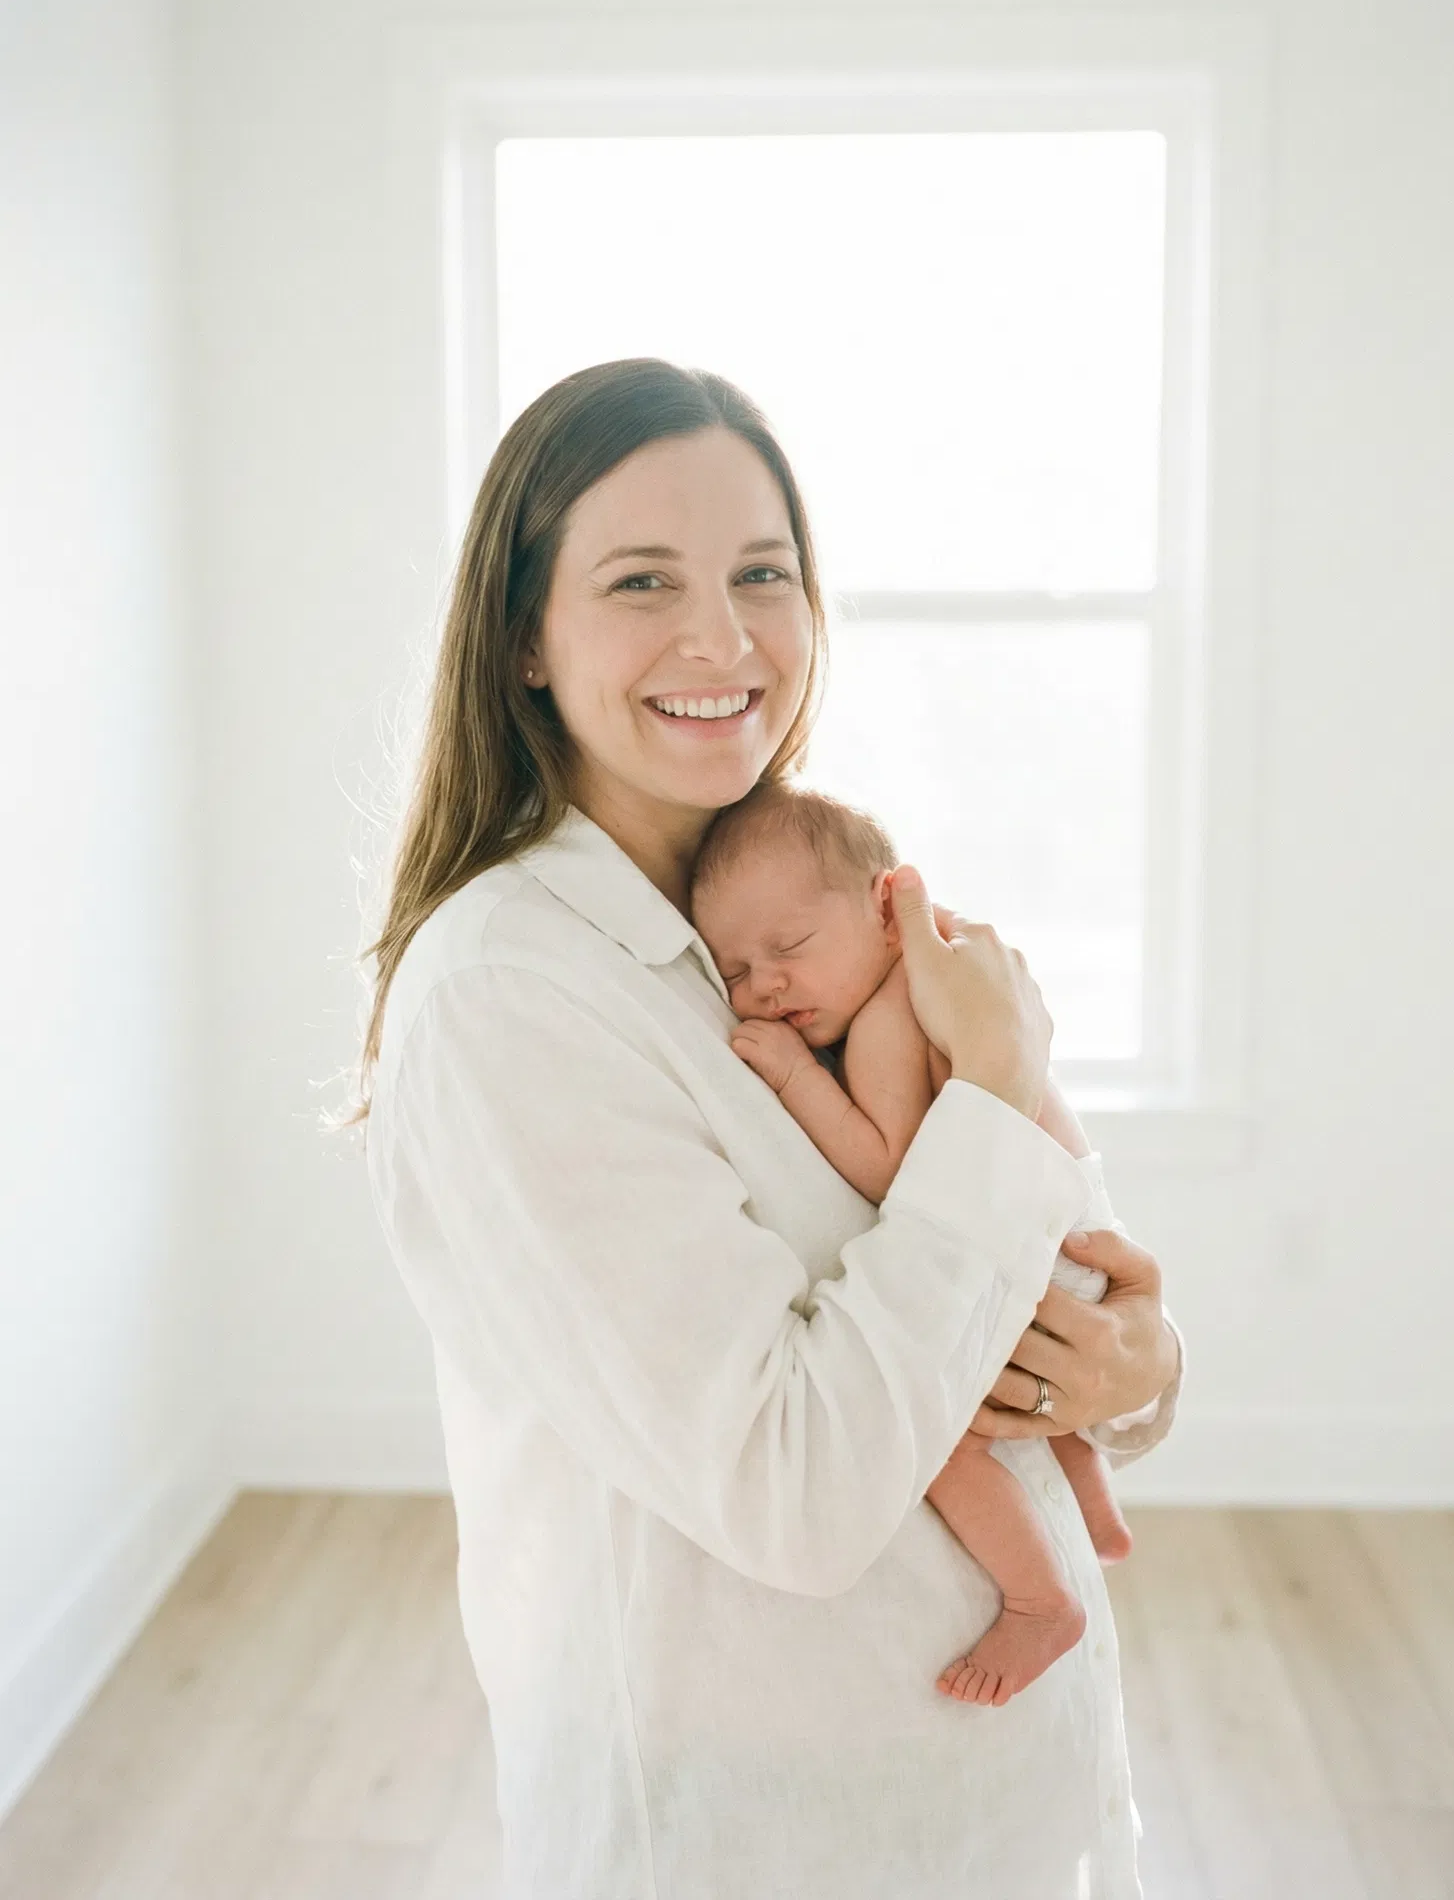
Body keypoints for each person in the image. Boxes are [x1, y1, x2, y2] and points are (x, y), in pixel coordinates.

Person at [349, 357, 1184, 1899]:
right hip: (756, 1832)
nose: (720, 635)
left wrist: (1140, 1373)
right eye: (639, 580)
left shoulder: (832, 901)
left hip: (1001, 1796)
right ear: (525, 637)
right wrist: (991, 1085)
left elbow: (1078, 1261)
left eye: (761, 574)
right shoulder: (508, 994)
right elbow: (791, 1489)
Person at [688, 778, 1137, 1710]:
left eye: (789, 948)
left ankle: (1038, 1598)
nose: (763, 984)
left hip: (1043, 1243)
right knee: (1016, 1388)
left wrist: (790, 1080)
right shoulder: (940, 981)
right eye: (733, 970)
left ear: (890, 911)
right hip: (1078, 1236)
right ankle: (1089, 1500)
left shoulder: (893, 1014)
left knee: (941, 1439)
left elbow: (893, 1170)